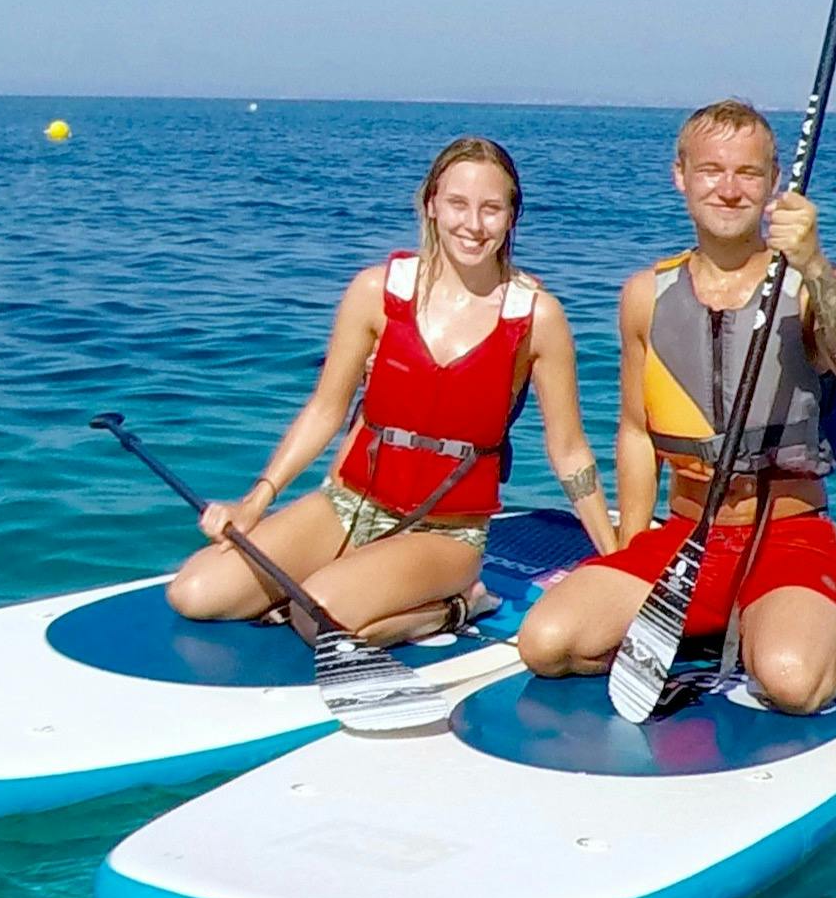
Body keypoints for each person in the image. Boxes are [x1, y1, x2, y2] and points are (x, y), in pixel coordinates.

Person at [515, 98, 836, 713]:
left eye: (748, 173)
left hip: (788, 536)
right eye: (712, 169)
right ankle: (723, 627)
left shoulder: (820, 284)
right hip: (688, 537)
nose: (730, 189)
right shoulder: (646, 295)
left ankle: (796, 631)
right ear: (680, 175)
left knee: (791, 683)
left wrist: (814, 264)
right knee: (547, 644)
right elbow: (636, 432)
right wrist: (630, 554)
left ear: (773, 185)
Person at [169, 136, 620, 642]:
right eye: (458, 204)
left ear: (512, 216)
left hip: (446, 532)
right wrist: (256, 500)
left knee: (316, 614)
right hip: (348, 505)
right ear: (431, 204)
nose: (473, 225)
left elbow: (569, 450)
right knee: (196, 592)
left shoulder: (538, 317)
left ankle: (457, 605)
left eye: (491, 209)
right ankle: (357, 582)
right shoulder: (374, 292)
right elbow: (324, 410)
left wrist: (614, 557)